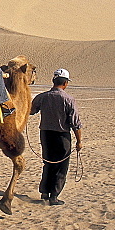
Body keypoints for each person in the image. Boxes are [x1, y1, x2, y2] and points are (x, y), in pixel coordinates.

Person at [30, 69, 84, 206]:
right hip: (62, 136)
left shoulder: (42, 97)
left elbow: (31, 111)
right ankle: (53, 196)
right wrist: (79, 141)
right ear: (65, 83)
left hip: (46, 135)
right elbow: (75, 123)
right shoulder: (68, 99)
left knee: (48, 163)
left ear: (53, 81)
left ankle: (44, 192)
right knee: (61, 166)